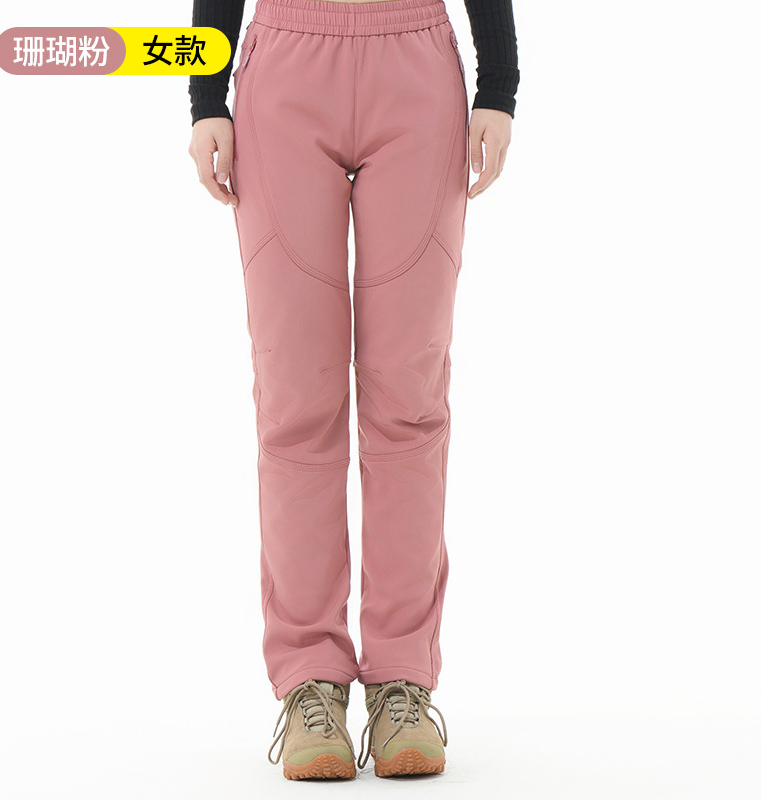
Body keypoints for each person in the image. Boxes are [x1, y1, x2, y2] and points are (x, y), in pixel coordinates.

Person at [188, 0, 519, 780]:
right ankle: (310, 679)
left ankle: (403, 680)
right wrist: (205, 98)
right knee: (295, 397)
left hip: (416, 68)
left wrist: (499, 85)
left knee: (409, 396)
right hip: (283, 69)